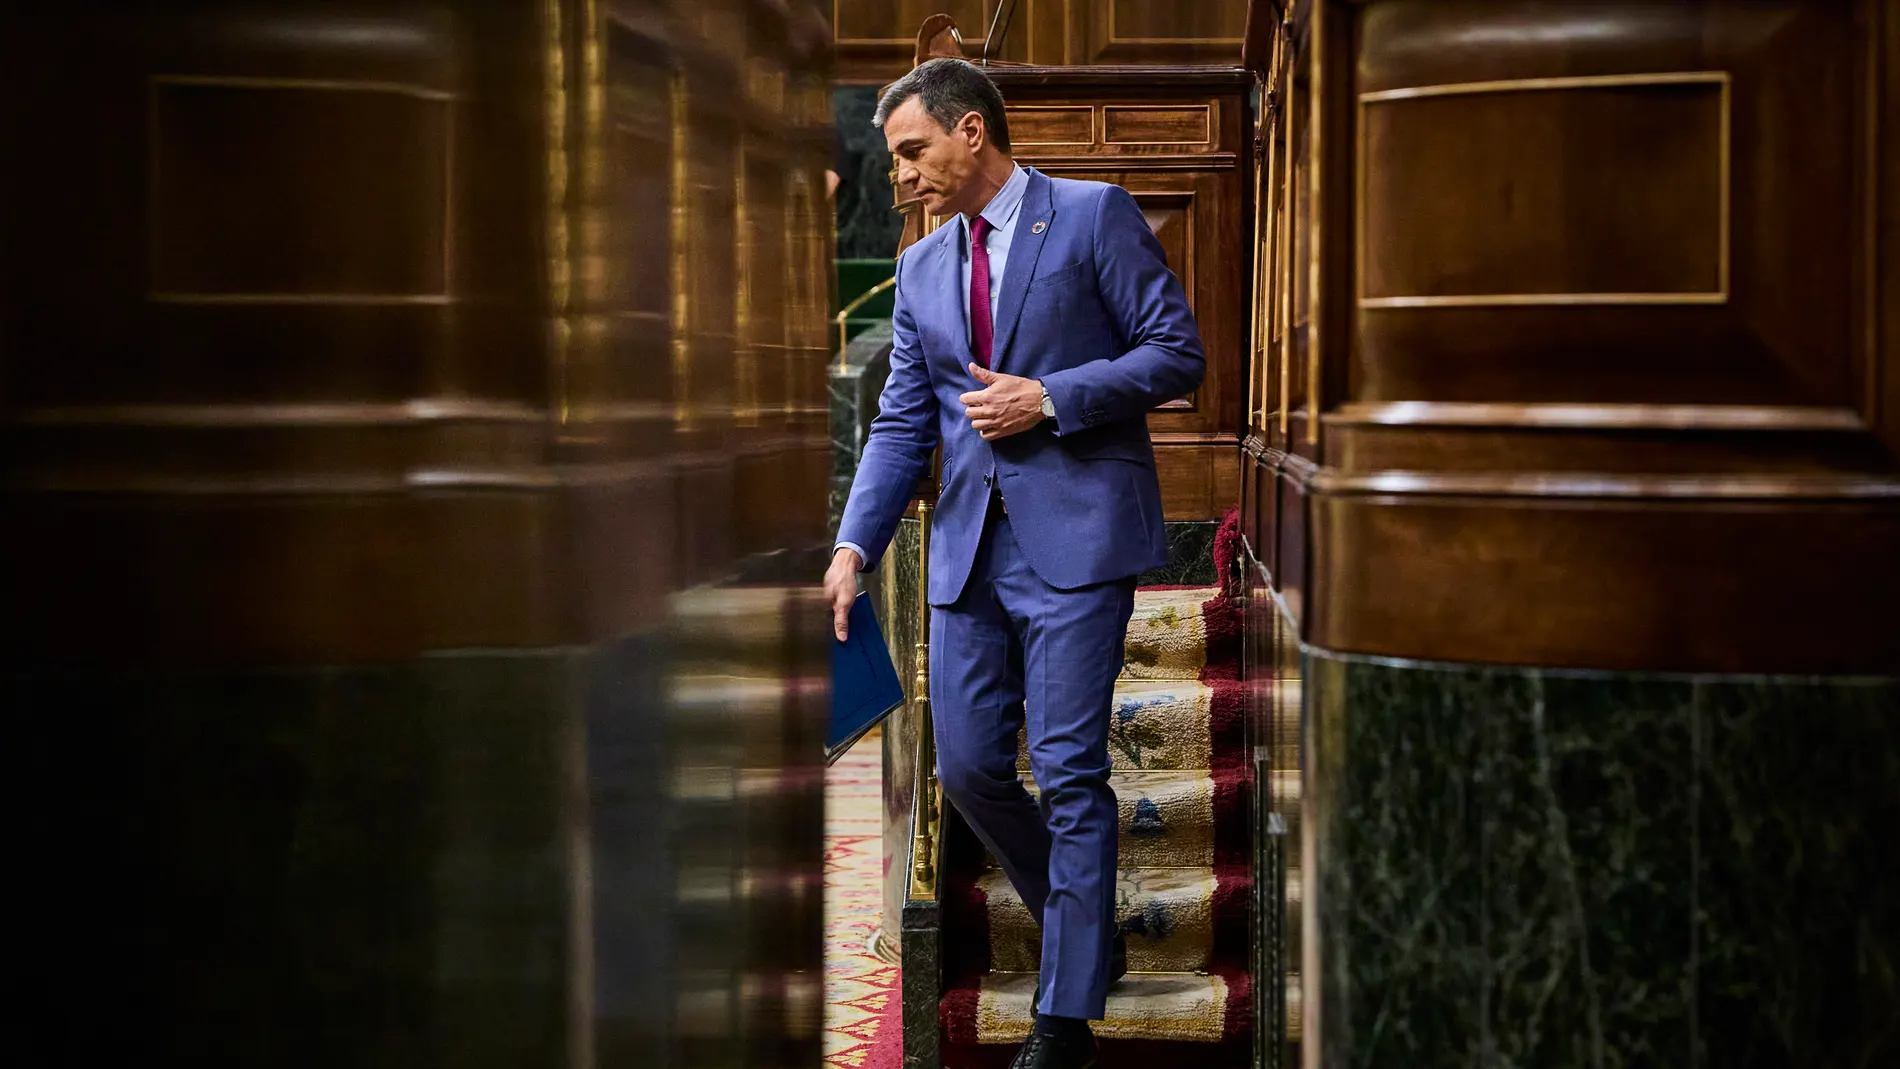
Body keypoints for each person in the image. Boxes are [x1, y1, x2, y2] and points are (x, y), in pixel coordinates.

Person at [825, 58, 1204, 1069]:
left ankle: (1065, 1014)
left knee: (1073, 768)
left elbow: (1175, 354)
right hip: (964, 552)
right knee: (975, 767)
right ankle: (1090, 926)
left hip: (1078, 539)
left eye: (912, 152)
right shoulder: (918, 267)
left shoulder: (1092, 216)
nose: (898, 175)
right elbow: (906, 420)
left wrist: (1052, 395)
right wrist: (855, 543)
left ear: (970, 135)